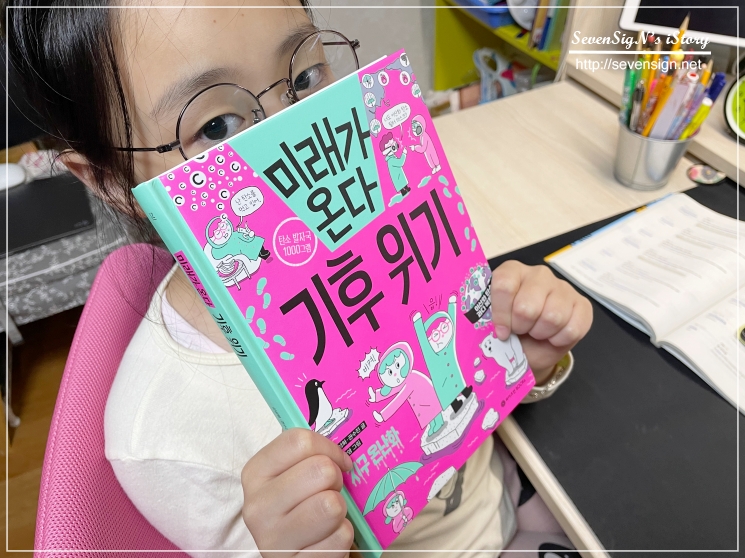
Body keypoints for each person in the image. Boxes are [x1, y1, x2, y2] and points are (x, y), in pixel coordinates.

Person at [3, 2, 593, 557]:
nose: (293, 132)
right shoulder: (166, 435)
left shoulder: (393, 217)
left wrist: (526, 355)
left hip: (520, 485)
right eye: (216, 125)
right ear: (109, 180)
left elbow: (474, 381)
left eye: (305, 77)